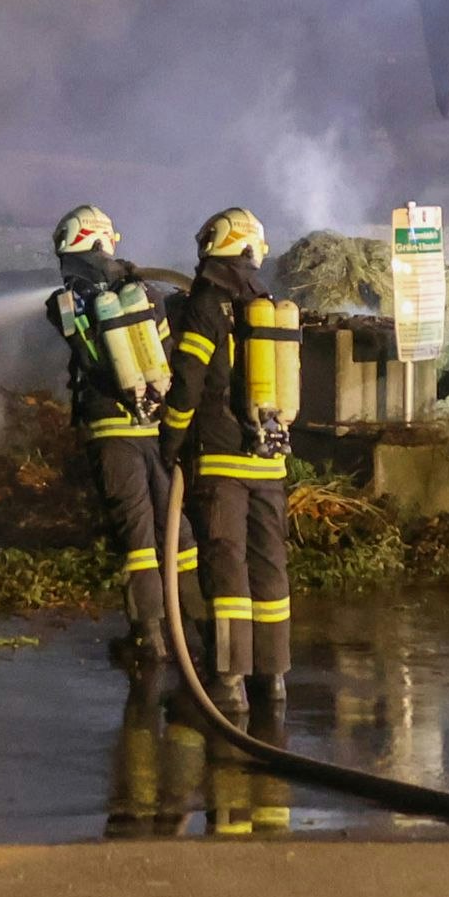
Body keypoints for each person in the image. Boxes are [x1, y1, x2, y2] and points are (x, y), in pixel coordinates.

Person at [41, 205, 185, 672]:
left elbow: (87, 357)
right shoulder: (146, 293)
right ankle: (197, 636)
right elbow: (166, 354)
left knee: (138, 539)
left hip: (111, 432)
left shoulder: (72, 300)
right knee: (177, 534)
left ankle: (150, 640)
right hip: (154, 427)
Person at [167, 206, 295, 719]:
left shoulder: (206, 303)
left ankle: (229, 682)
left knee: (226, 567)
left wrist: (171, 440)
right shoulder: (263, 302)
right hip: (270, 461)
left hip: (220, 460)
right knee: (270, 566)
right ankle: (274, 677)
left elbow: (188, 382)